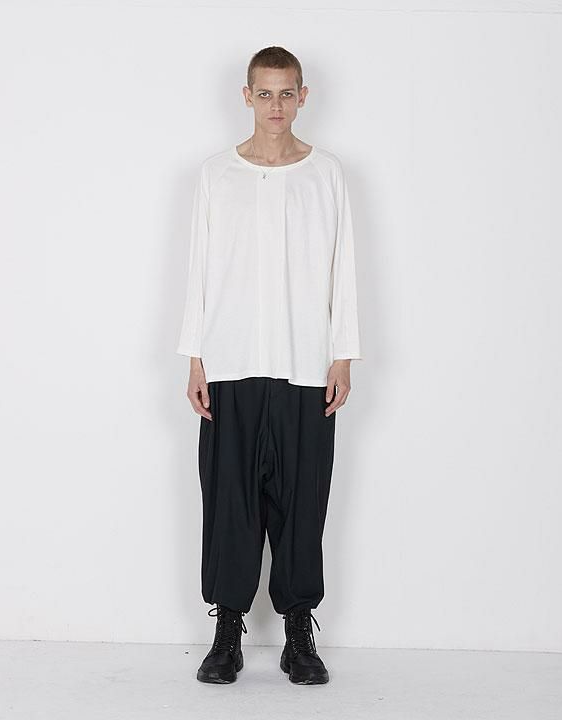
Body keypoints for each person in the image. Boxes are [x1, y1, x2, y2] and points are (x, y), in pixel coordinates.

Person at [176, 46, 363, 685]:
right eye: (265, 93)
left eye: (287, 93)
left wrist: (342, 354)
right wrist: (196, 357)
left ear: (303, 97)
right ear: (247, 95)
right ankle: (226, 631)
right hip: (230, 360)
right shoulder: (216, 174)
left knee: (302, 498)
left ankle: (297, 634)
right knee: (229, 497)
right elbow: (199, 268)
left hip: (306, 363)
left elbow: (343, 266)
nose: (276, 105)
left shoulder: (326, 173)